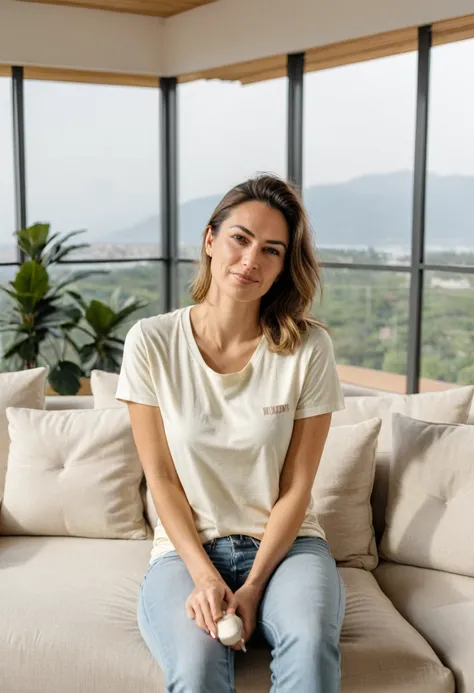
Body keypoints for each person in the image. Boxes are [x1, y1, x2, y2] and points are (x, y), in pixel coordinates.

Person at [116, 173, 346, 693]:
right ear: (210, 239)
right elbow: (163, 481)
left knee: (310, 648)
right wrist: (204, 576)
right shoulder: (151, 342)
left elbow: (296, 487)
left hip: (288, 550)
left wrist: (256, 584)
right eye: (240, 239)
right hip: (185, 550)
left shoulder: (308, 350)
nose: (250, 260)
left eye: (271, 250)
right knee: (197, 672)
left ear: (285, 265)